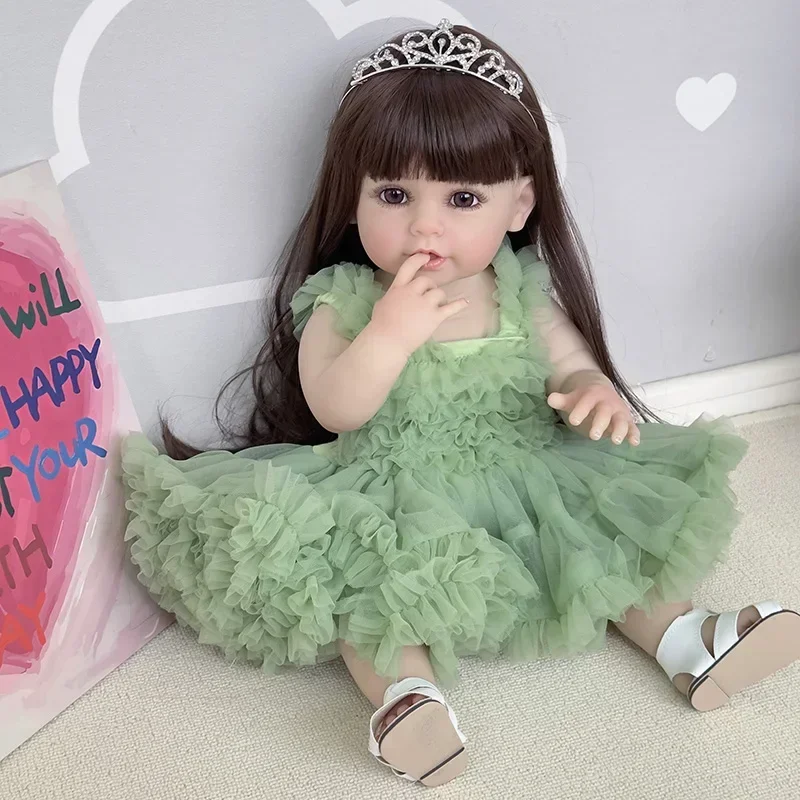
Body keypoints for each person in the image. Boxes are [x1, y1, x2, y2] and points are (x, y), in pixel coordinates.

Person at [120, 19, 800, 787]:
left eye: (464, 197)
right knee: (371, 584)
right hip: (392, 489)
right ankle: (407, 700)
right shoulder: (346, 300)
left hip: (528, 473)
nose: (425, 224)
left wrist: (590, 388)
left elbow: (570, 359)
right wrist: (388, 332)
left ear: (519, 205)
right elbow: (337, 408)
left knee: (602, 547)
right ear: (351, 199)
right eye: (394, 193)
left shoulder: (516, 290)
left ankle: (687, 641)